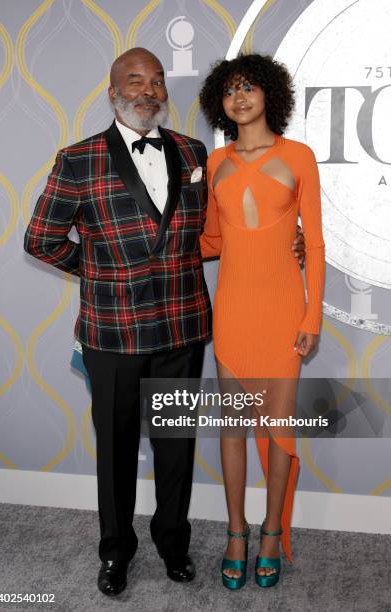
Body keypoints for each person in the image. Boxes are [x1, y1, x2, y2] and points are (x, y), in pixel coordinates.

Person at [24, 47, 306, 597]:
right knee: (116, 450)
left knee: (175, 446)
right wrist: (98, 270)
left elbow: (215, 231)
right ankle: (115, 553)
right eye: (135, 81)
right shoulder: (78, 159)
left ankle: (174, 545)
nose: (148, 90)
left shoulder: (193, 150)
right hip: (115, 333)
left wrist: (284, 238)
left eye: (156, 81)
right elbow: (40, 239)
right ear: (113, 92)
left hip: (182, 326)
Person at [199, 53, 325, 589]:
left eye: (250, 87)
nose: (241, 97)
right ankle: (236, 532)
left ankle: (271, 531)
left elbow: (315, 244)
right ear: (219, 103)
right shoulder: (215, 163)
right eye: (230, 90)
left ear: (271, 93)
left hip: (280, 312)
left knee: (277, 431)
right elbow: (210, 240)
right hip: (231, 311)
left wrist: (312, 313)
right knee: (231, 428)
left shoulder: (300, 156)